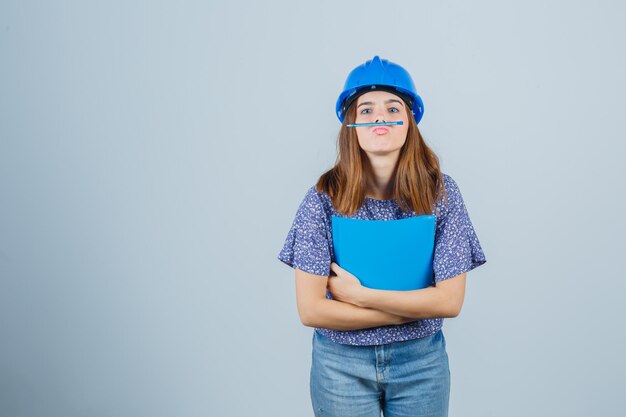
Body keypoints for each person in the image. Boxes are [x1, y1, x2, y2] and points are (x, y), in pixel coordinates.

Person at [277, 55, 487, 417]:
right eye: (367, 110)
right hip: (340, 365)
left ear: (409, 123)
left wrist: (360, 296)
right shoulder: (322, 198)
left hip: (421, 363)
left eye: (393, 108)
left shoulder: (441, 194)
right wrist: (406, 312)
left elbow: (450, 302)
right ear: (351, 126)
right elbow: (311, 309)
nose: (380, 118)